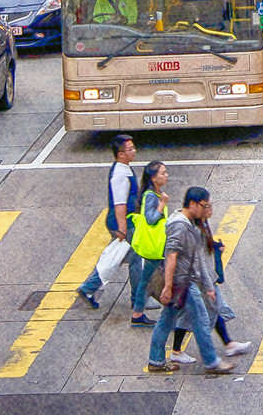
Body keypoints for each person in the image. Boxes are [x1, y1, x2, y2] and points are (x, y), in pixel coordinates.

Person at [146, 186, 236, 375]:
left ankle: (156, 360)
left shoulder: (190, 223)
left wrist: (208, 285)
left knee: (166, 320)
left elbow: (197, 258)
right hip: (183, 283)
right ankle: (211, 362)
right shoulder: (179, 225)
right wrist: (168, 286)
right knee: (201, 321)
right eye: (204, 206)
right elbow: (171, 256)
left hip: (185, 281)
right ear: (192, 204)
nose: (206, 209)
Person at [76, 134, 139, 310]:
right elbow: (120, 204)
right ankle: (138, 300)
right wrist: (122, 229)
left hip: (124, 222)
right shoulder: (119, 175)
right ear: (120, 154)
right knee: (136, 258)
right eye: (130, 149)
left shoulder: (123, 169)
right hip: (122, 222)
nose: (134, 151)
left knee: (119, 257)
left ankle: (88, 288)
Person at [127, 160, 171, 327]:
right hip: (156, 246)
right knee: (169, 278)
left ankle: (137, 315)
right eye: (163, 173)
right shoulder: (152, 196)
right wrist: (162, 204)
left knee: (146, 281)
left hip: (157, 245)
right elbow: (151, 219)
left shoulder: (154, 193)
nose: (166, 176)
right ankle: (176, 316)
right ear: (153, 178)